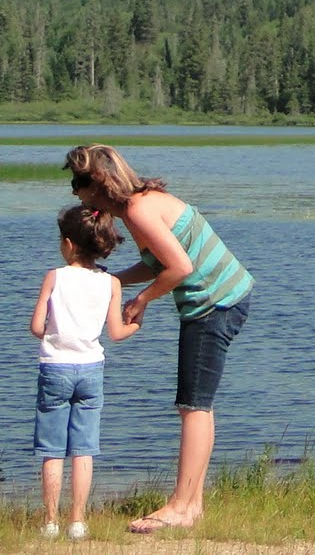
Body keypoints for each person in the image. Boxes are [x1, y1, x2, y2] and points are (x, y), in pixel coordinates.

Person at [63, 143, 255, 534]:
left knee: (193, 405)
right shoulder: (141, 203)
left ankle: (179, 506)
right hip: (222, 299)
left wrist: (142, 300)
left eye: (78, 183)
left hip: (214, 303)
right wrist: (112, 279)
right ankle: (192, 504)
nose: (75, 192)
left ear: (98, 183)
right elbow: (156, 261)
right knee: (198, 405)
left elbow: (179, 267)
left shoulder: (138, 210)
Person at [29, 204, 140, 541]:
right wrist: (137, 322)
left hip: (55, 367)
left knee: (51, 448)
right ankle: (78, 520)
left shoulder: (55, 276)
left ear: (69, 244)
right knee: (84, 448)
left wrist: (53, 327)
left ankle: (50, 521)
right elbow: (117, 333)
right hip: (91, 368)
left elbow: (36, 327)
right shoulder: (110, 282)